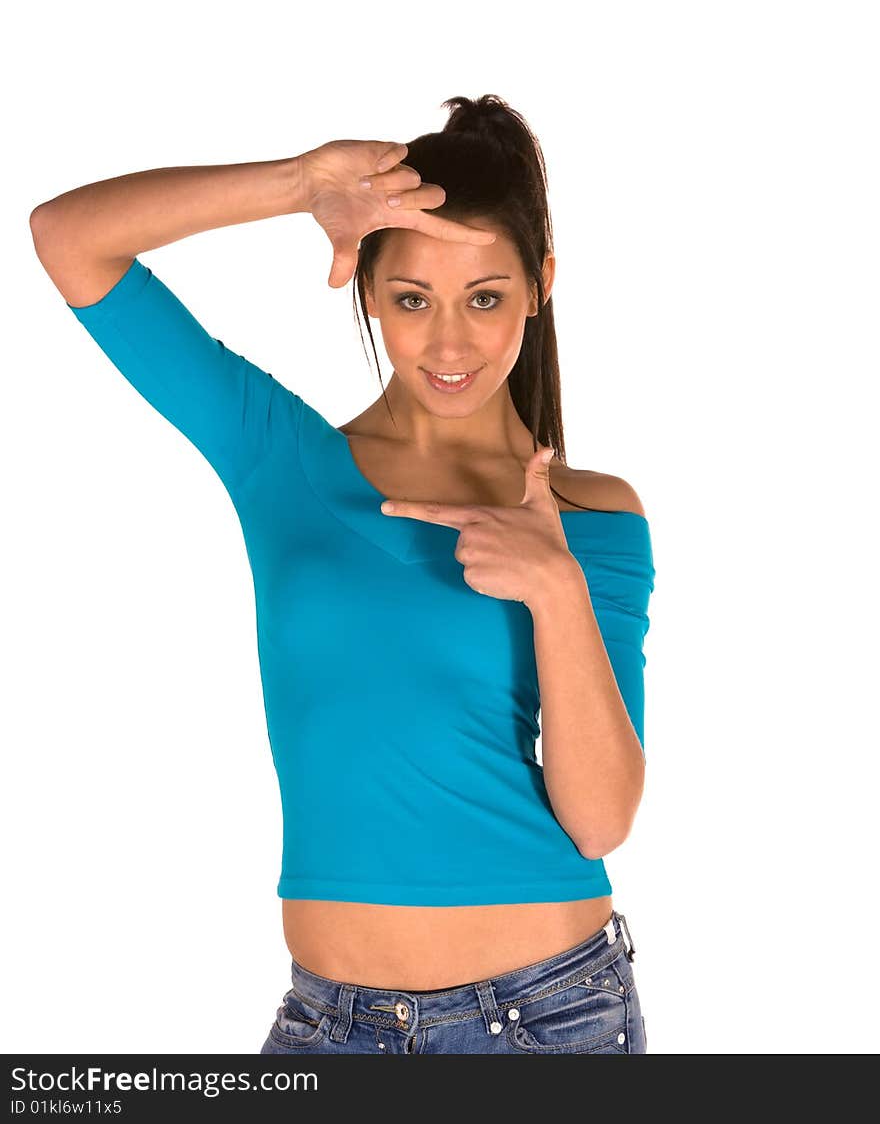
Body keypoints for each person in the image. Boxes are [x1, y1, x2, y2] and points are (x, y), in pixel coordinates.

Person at [30, 92, 655, 1055]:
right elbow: (69, 239)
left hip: (543, 1016)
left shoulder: (592, 517)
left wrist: (557, 587)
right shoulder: (279, 457)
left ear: (540, 286)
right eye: (413, 299)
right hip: (331, 1023)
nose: (450, 344)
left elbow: (600, 818)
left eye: (485, 297)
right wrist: (298, 183)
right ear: (367, 288)